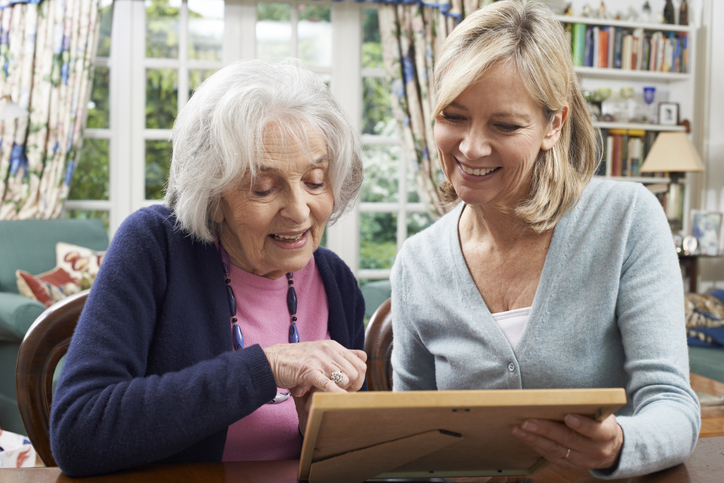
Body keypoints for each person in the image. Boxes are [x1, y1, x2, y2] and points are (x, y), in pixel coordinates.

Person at [390, 0, 700, 479]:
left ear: (553, 125)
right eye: (453, 116)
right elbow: (409, 444)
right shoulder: (417, 262)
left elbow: (674, 408)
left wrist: (618, 445)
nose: (471, 147)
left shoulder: (626, 219)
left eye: (505, 125)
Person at [50, 59, 367, 477]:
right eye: (263, 188)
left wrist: (328, 436)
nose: (298, 211)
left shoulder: (336, 281)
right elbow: (79, 429)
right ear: (212, 193)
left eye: (314, 180)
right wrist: (265, 367)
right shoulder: (155, 247)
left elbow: (355, 459)